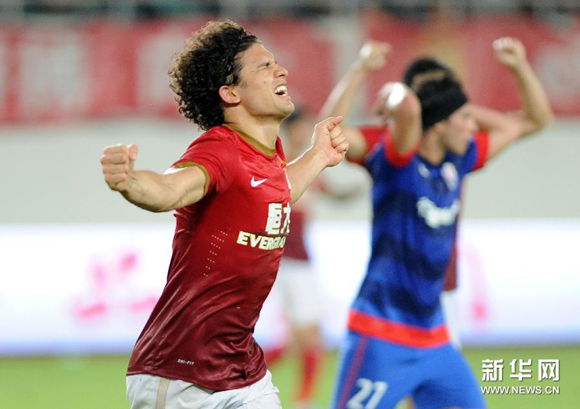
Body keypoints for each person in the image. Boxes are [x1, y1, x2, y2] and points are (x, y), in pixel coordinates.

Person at [100, 20, 348, 409]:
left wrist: (318, 156)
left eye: (276, 63)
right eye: (264, 66)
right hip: (181, 376)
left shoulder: (267, 157)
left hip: (243, 371)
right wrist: (130, 181)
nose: (280, 70)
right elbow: (170, 189)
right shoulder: (219, 151)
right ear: (230, 93)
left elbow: (278, 192)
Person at [321, 37, 552, 409]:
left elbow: (531, 123)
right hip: (382, 332)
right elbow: (335, 129)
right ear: (440, 124)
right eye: (463, 118)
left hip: (435, 334)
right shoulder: (393, 157)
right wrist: (367, 72)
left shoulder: (458, 160)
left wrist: (516, 68)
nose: (472, 124)